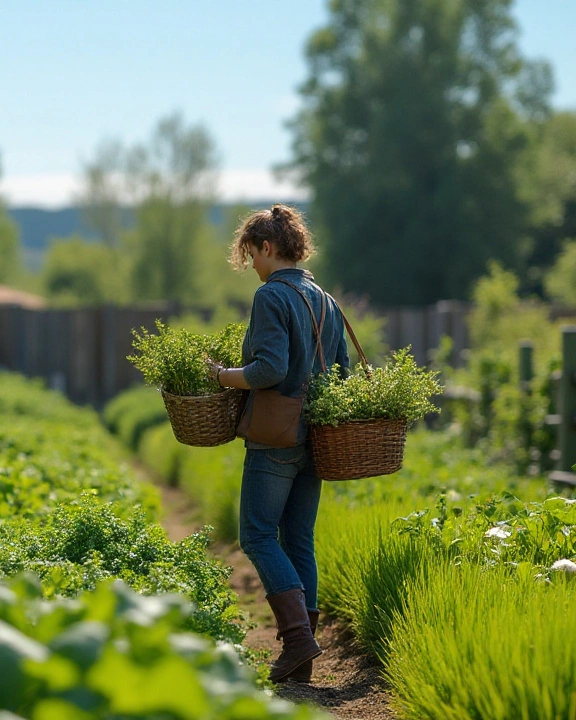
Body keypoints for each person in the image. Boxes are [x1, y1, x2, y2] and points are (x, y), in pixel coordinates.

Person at [206, 204, 350, 684]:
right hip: (318, 437)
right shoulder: (325, 299)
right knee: (299, 540)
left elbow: (270, 369)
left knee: (258, 536)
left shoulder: (272, 297)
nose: (253, 268)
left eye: (252, 256)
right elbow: (344, 373)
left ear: (267, 248)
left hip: (276, 436)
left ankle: (298, 638)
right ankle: (301, 655)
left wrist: (224, 376)